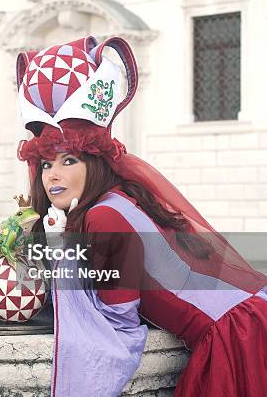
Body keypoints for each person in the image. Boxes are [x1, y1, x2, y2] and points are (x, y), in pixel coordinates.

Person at [14, 36, 267, 396]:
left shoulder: (103, 218)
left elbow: (120, 316)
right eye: (46, 164)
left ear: (95, 162)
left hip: (237, 338)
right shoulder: (117, 200)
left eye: (68, 160)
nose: (52, 175)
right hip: (242, 323)